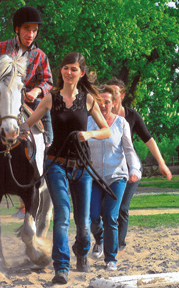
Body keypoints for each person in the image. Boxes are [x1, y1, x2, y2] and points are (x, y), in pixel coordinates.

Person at [20, 52, 111, 284]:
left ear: (81, 73)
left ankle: (81, 252)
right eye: (65, 68)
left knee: (83, 223)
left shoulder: (88, 100)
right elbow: (28, 124)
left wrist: (89, 133)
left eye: (73, 69)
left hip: (82, 166)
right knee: (62, 214)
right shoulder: (51, 98)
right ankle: (61, 267)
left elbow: (106, 130)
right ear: (60, 71)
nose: (68, 72)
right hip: (55, 164)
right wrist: (13, 127)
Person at [104, 77, 172, 251]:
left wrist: (161, 163)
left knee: (122, 207)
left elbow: (149, 140)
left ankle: (118, 244)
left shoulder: (132, 116)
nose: (112, 96)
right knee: (104, 208)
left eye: (115, 93)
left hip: (130, 168)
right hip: (108, 167)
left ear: (122, 95)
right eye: (109, 92)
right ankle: (105, 241)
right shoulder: (101, 115)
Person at [0, 6, 53, 146]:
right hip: (2, 99)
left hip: (29, 101)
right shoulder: (0, 48)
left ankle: (42, 164)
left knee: (48, 136)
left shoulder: (40, 56)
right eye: (27, 29)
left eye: (34, 30)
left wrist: (37, 91)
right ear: (17, 29)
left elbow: (47, 81)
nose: (31, 34)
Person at [88, 85, 141, 271]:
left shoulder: (121, 123)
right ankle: (100, 239)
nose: (103, 106)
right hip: (94, 177)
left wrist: (134, 169)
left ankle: (111, 259)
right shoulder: (88, 123)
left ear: (113, 103)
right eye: (99, 102)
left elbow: (129, 150)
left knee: (111, 216)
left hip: (116, 176)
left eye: (107, 102)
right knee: (93, 216)